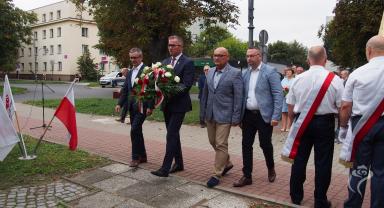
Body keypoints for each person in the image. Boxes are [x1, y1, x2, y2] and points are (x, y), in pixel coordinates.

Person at [285, 46, 344, 207]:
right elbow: (341, 107)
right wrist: (343, 127)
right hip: (325, 123)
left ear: (308, 59)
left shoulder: (298, 78)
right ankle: (320, 200)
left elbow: (290, 106)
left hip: (301, 122)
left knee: (299, 160)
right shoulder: (335, 80)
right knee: (323, 162)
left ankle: (296, 197)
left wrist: (292, 124)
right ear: (325, 59)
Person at [339, 35, 384, 208]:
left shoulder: (357, 73)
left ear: (369, 50)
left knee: (358, 170)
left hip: (361, 127)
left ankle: (353, 205)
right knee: (381, 172)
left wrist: (342, 128)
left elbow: (345, 106)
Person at [233, 47, 283, 188]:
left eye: (252, 56)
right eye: (247, 56)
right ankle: (247, 175)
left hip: (264, 116)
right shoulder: (245, 73)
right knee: (246, 145)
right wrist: (239, 116)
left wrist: (276, 116)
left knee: (265, 144)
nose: (249, 59)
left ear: (259, 56)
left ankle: (271, 167)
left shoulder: (270, 71)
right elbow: (242, 95)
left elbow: (278, 95)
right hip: (248, 115)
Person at [151, 35, 195, 177]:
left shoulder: (187, 62)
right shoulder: (165, 62)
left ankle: (165, 168)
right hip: (167, 105)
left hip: (180, 105)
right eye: (169, 45)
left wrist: (170, 92)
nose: (170, 47)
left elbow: (187, 85)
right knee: (173, 134)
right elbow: (160, 81)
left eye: (173, 45)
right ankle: (179, 163)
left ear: (180, 47)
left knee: (171, 135)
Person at [200, 47, 243, 188]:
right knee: (212, 141)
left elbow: (238, 96)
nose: (216, 58)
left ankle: (217, 174)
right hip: (210, 114)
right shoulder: (210, 72)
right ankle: (227, 162)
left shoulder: (235, 73)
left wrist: (236, 117)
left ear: (227, 57)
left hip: (225, 115)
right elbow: (205, 94)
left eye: (220, 55)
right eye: (215, 55)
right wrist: (202, 113)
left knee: (221, 143)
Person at [115, 48, 152, 167]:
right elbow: (126, 90)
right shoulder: (130, 72)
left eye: (135, 57)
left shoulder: (148, 71)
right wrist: (119, 104)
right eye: (131, 57)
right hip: (132, 106)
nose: (133, 60)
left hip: (143, 106)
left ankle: (135, 158)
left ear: (141, 57)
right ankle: (143, 156)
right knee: (137, 131)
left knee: (134, 130)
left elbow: (152, 90)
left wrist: (150, 106)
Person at [280, 67, 295, 132]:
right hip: (284, 97)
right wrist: (283, 90)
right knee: (283, 112)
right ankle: (283, 126)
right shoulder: (283, 80)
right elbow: (280, 87)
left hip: (291, 98)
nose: (288, 73)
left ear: (292, 72)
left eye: (289, 71)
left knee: (290, 112)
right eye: (287, 72)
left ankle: (289, 127)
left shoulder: (294, 79)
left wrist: (289, 90)